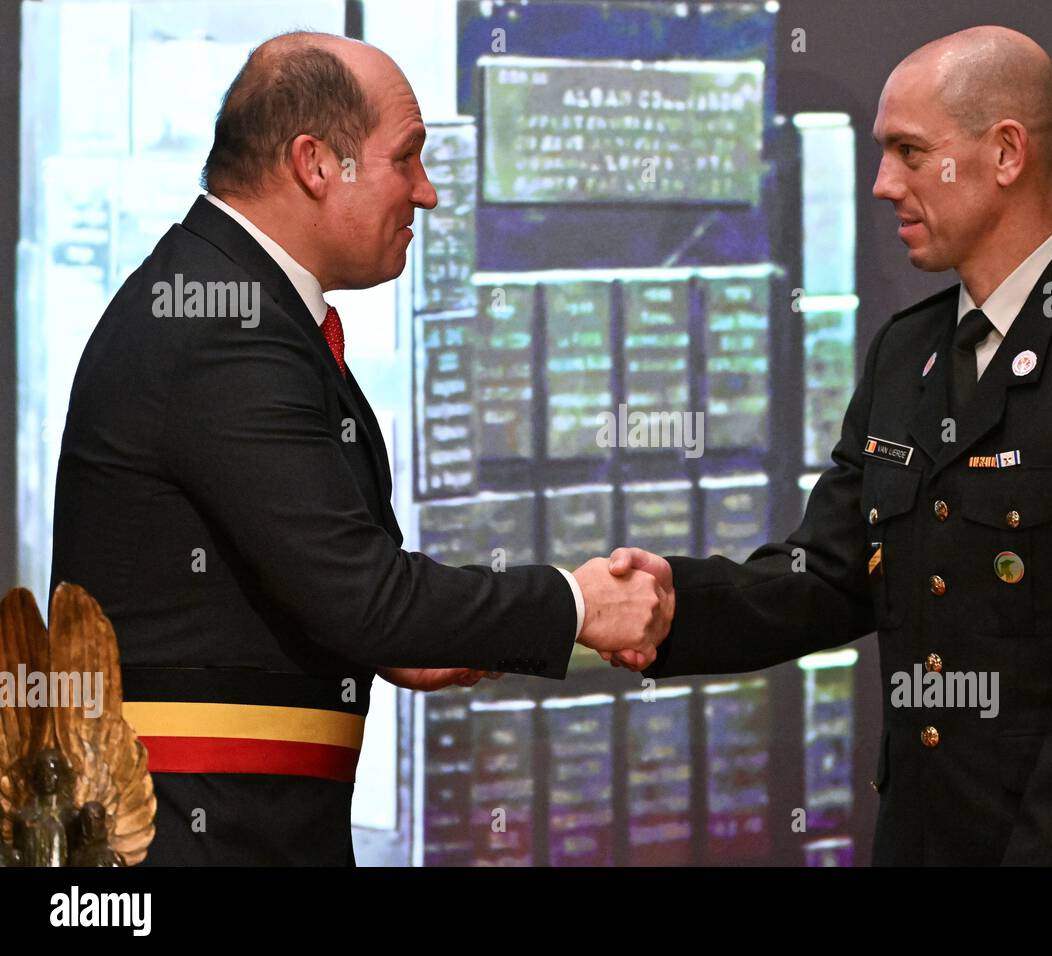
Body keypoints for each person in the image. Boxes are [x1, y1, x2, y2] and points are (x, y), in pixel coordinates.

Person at [607, 25, 1052, 865]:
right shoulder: (907, 352)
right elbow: (827, 574)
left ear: (1006, 153)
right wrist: (674, 603)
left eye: (909, 151)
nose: (881, 184)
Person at [49, 32, 670, 865]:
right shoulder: (220, 325)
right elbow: (364, 594)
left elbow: (328, 594)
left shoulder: (234, 305)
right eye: (407, 159)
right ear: (316, 164)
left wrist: (399, 637)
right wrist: (578, 605)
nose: (428, 193)